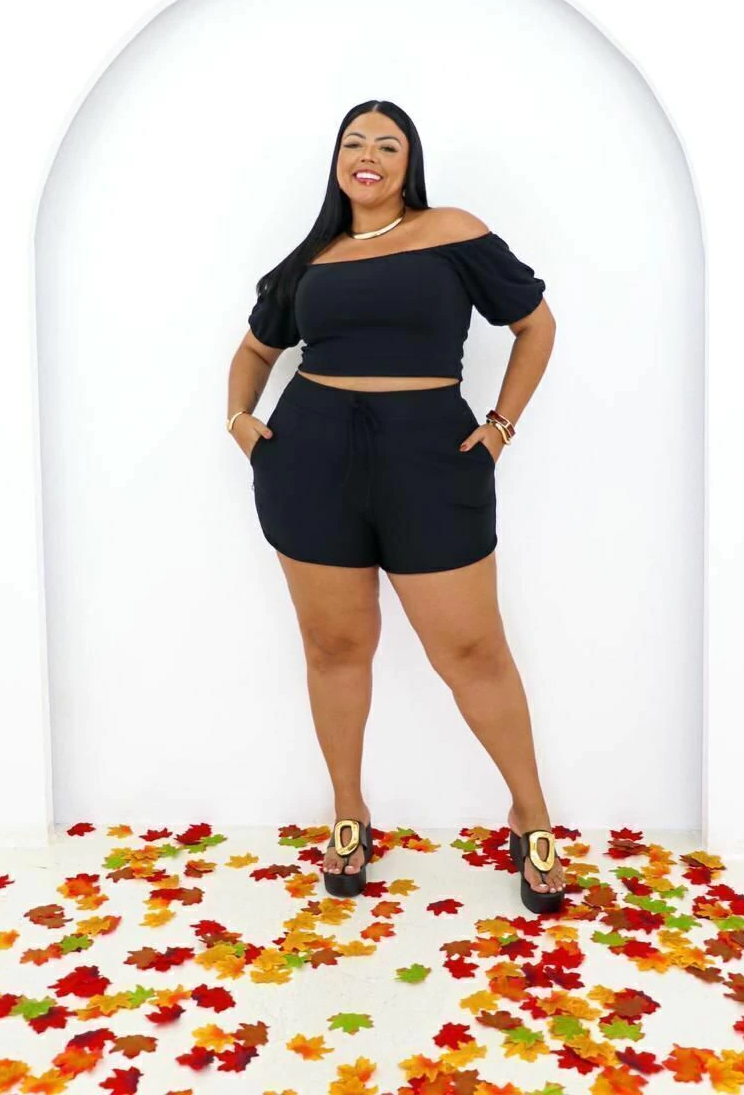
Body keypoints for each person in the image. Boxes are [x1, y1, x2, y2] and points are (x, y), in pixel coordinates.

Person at [226, 100, 565, 914]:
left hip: (429, 460)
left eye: (387, 144)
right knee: (334, 646)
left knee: (472, 650)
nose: (368, 155)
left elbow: (535, 325)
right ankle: (349, 812)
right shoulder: (313, 257)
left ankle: (530, 814)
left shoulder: (452, 232)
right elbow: (257, 347)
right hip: (311, 458)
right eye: (354, 142)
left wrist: (500, 426)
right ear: (337, 160)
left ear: (409, 163)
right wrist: (240, 420)